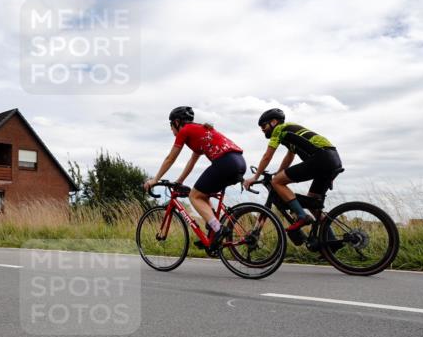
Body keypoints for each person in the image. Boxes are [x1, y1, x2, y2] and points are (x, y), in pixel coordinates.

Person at [144, 106, 247, 249]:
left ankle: (218, 229)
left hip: (225, 162)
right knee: (203, 196)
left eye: (170, 125)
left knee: (194, 196)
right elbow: (192, 161)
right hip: (239, 162)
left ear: (177, 122)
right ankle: (213, 233)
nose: (171, 129)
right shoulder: (198, 131)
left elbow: (170, 158)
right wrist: (180, 181)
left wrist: (155, 179)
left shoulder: (185, 130)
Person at [242, 108, 342, 236]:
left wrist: (255, 177)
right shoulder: (291, 133)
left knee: (276, 182)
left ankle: (301, 216)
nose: (262, 129)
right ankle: (331, 243)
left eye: (263, 125)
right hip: (333, 160)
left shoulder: (280, 129)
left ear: (274, 122)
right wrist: (278, 173)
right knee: (312, 203)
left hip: (321, 158)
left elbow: (267, 156)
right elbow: (290, 157)